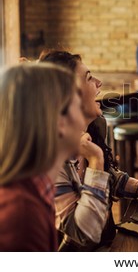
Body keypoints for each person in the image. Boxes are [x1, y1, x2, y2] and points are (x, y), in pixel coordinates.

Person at [39, 50, 138, 251]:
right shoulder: (48, 158)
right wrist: (95, 160)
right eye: (89, 78)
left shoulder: (94, 129)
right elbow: (84, 235)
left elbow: (110, 176)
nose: (99, 82)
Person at [0, 63, 85, 251]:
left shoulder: (34, 191)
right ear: (60, 122)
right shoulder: (21, 215)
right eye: (79, 107)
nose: (83, 118)